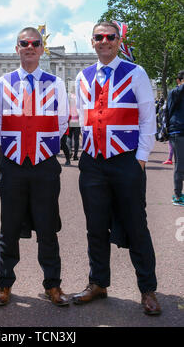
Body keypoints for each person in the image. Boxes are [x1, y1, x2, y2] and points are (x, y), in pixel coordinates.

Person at [73, 21, 161, 315]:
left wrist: (142, 157)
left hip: (126, 159)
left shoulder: (136, 73)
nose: (105, 41)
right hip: (93, 162)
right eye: (99, 37)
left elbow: (148, 116)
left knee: (136, 225)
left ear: (118, 39)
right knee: (95, 227)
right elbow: (83, 116)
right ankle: (98, 283)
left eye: (110, 37)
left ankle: (147, 289)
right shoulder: (83, 77)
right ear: (92, 41)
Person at [0, 27, 69, 307]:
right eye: (24, 43)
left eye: (35, 43)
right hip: (13, 163)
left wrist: (40, 148)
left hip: (44, 164)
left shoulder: (56, 83)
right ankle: (4, 284)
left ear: (41, 48)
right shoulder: (3, 83)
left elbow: (61, 124)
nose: (30, 47)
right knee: (8, 227)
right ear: (17, 48)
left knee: (48, 228)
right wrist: (16, 148)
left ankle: (53, 285)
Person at [167, 70, 184, 206]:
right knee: (180, 164)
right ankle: (177, 195)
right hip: (178, 132)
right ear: (179, 81)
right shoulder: (174, 92)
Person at [67, 89, 81, 161]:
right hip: (77, 121)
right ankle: (75, 155)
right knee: (76, 139)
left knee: (69, 137)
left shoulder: (68, 98)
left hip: (70, 120)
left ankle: (69, 152)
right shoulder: (79, 98)